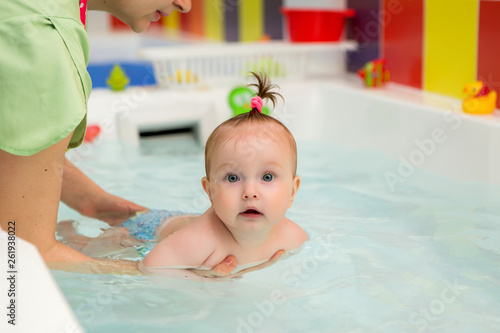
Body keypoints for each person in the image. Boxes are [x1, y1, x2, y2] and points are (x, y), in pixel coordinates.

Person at [0, 0, 240, 275]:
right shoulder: (42, 39)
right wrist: (168, 273)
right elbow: (24, 254)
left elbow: (16, 146)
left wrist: (94, 202)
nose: (185, 5)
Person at [61, 72, 309, 275]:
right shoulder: (197, 241)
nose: (250, 193)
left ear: (293, 191)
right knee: (97, 248)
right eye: (232, 178)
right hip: (146, 230)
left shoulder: (293, 236)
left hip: (178, 220)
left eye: (267, 177)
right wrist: (195, 282)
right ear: (209, 191)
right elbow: (149, 269)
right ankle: (71, 233)